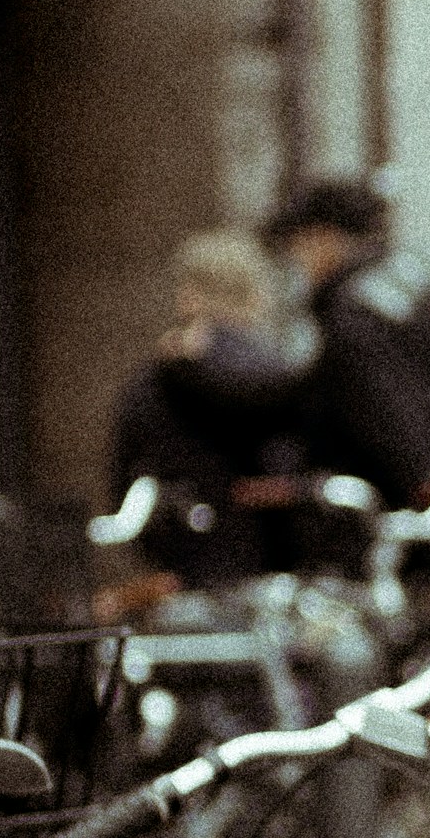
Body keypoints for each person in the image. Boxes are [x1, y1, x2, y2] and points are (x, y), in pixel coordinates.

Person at [271, 176, 430, 518]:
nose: (298, 261)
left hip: (410, 514)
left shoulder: (353, 318)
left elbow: (395, 425)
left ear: (325, 238)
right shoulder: (396, 293)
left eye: (300, 246)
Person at [103, 230, 308, 577]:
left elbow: (125, 476)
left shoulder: (153, 377)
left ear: (188, 295)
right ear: (256, 295)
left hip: (181, 556)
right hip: (266, 560)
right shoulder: (270, 369)